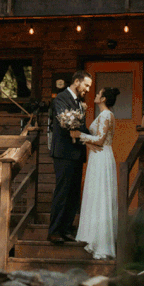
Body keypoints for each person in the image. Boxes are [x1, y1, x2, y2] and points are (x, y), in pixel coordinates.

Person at [48, 70, 91, 244]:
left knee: (73, 194)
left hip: (77, 154)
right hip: (64, 153)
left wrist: (96, 136)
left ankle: (66, 229)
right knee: (62, 192)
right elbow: (65, 122)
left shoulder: (79, 102)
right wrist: (85, 134)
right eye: (86, 85)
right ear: (76, 82)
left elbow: (81, 127)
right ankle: (54, 231)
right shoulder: (60, 98)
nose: (88, 89)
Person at [75, 87, 119, 259]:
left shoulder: (107, 115)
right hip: (97, 157)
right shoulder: (103, 115)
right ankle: (92, 235)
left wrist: (80, 135)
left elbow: (100, 140)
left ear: (104, 98)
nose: (96, 95)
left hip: (102, 156)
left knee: (101, 195)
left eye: (99, 94)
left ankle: (101, 242)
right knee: (96, 194)